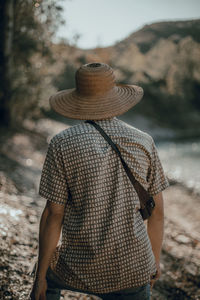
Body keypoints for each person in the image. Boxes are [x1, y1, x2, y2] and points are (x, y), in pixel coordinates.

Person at [30, 62, 169, 300]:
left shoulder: (62, 143)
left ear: (78, 98)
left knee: (45, 275)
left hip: (78, 265)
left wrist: (40, 277)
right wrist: (153, 262)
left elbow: (54, 214)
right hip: (132, 268)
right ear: (115, 97)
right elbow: (157, 213)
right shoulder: (144, 141)